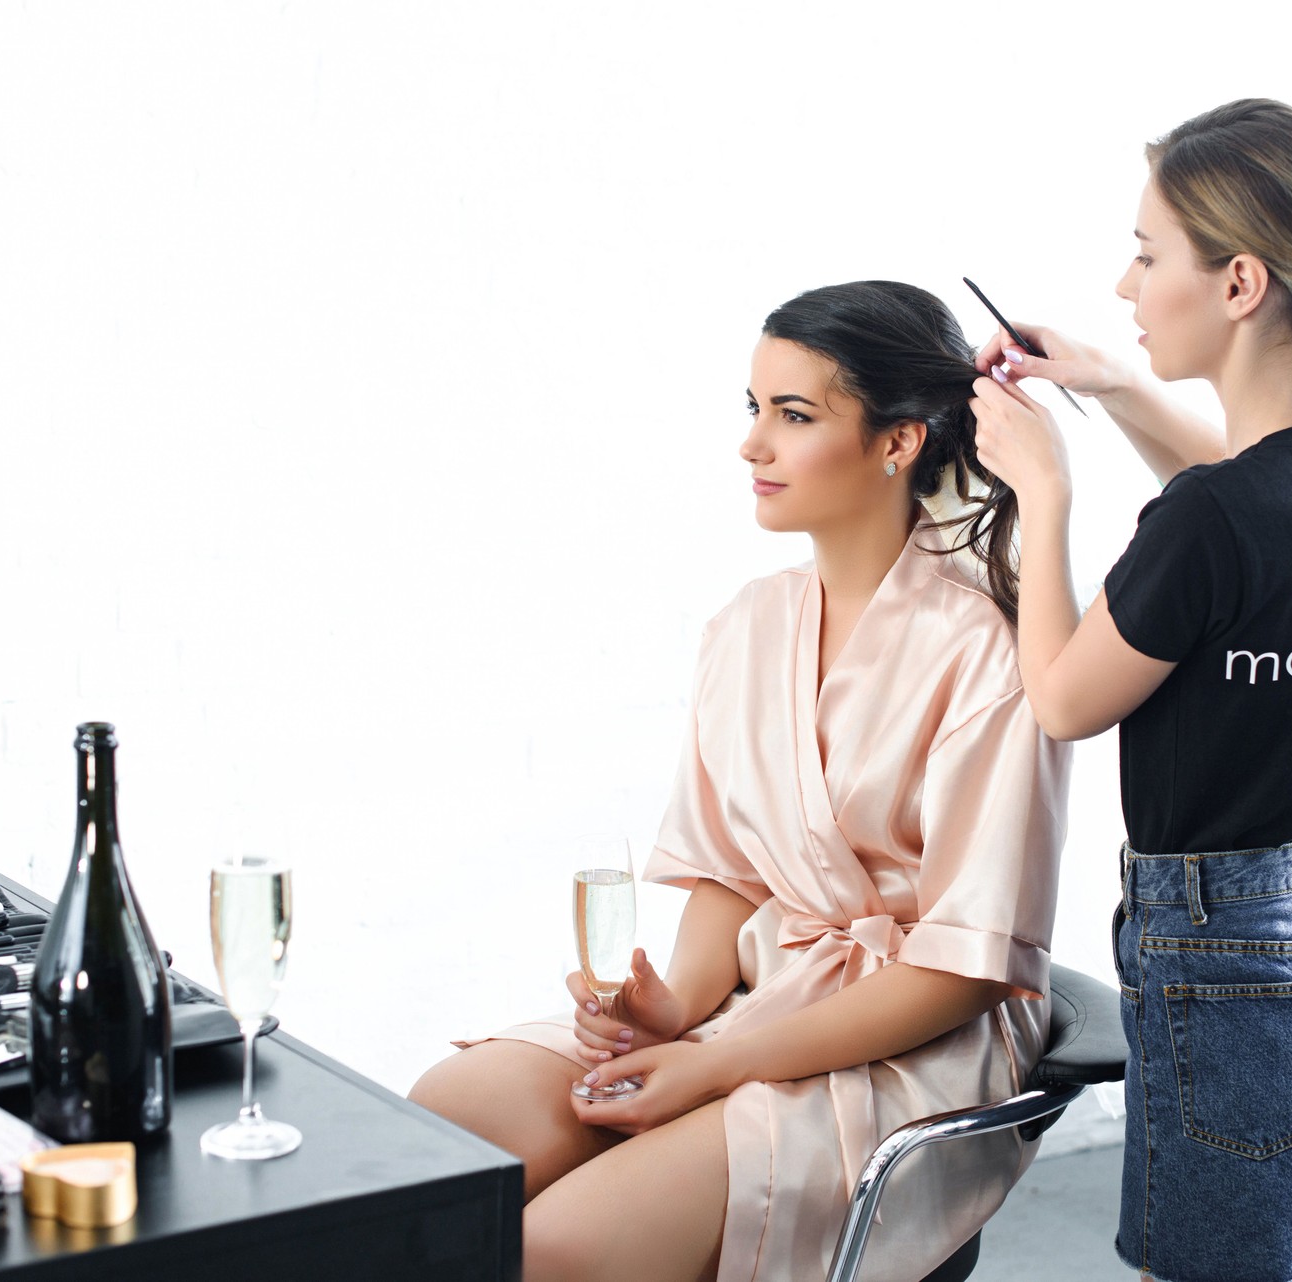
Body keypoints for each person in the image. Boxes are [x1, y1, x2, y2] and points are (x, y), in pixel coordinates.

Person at [410, 280, 1069, 1282]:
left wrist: (710, 1065)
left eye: (794, 415)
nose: (752, 445)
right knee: (441, 1133)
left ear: (899, 441)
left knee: (554, 1247)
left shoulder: (990, 649)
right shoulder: (749, 624)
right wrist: (674, 1009)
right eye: (753, 408)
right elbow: (735, 872)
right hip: (756, 999)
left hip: (911, 1043)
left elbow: (962, 969)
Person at [965, 99, 1292, 1282]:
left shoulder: (1213, 521)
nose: (1125, 286)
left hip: (1234, 966)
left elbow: (1065, 698)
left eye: (1144, 252)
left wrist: (1046, 491)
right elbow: (1240, 525)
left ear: (1237, 283)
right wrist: (1118, 384)